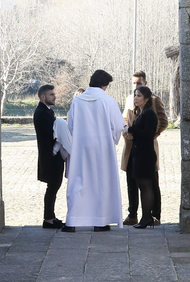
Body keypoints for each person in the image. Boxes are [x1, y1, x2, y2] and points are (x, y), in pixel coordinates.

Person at [65, 69, 125, 230]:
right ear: (104, 85)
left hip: (81, 147)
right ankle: (100, 220)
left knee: (79, 182)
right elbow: (119, 125)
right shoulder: (108, 101)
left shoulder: (77, 101)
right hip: (103, 147)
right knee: (101, 182)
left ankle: (73, 221)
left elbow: (70, 126)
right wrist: (112, 137)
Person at [122, 70, 169, 224]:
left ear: (145, 84)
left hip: (146, 148)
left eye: (139, 84)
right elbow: (125, 120)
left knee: (150, 183)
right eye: (134, 84)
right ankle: (133, 214)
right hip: (131, 149)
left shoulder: (154, 101)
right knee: (132, 182)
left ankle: (153, 216)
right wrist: (127, 134)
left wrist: (150, 136)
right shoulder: (130, 99)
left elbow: (162, 121)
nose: (136, 87)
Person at [32, 83, 70, 229]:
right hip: (50, 155)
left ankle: (50, 217)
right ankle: (48, 219)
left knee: (54, 186)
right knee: (52, 186)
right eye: (51, 94)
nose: (55, 96)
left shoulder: (46, 111)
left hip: (51, 155)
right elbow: (52, 134)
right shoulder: (42, 113)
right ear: (43, 97)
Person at [124, 85, 160, 228]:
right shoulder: (140, 112)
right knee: (141, 185)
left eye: (138, 96)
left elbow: (148, 134)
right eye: (135, 95)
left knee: (146, 186)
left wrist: (131, 129)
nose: (135, 98)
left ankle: (147, 217)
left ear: (146, 99)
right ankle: (145, 218)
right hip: (138, 154)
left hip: (145, 155)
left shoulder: (149, 114)